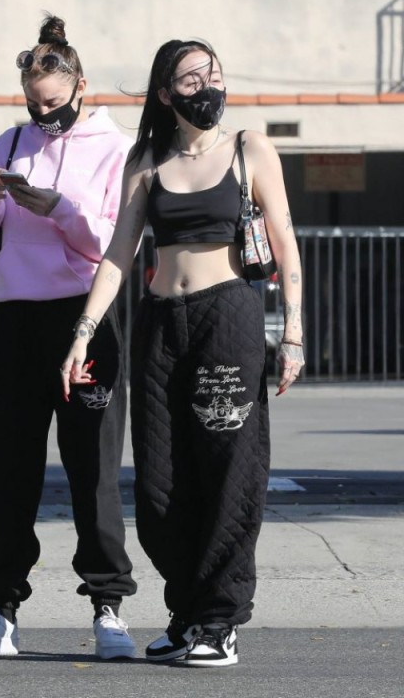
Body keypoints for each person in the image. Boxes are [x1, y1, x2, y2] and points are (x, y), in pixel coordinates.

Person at [62, 38, 305, 667]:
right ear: (166, 93)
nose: (208, 86)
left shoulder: (250, 149)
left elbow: (284, 240)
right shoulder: (147, 158)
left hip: (227, 317)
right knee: (160, 478)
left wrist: (294, 332)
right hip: (161, 323)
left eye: (214, 74)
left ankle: (219, 620)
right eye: (192, 79)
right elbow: (119, 253)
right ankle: (188, 611)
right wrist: (84, 330)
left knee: (228, 468)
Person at [0, 14, 137, 660]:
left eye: (53, 103)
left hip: (83, 318)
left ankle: (109, 607)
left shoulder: (115, 149)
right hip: (13, 319)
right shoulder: (9, 143)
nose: (43, 114)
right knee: (9, 469)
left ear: (81, 85)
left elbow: (112, 246)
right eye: (34, 104)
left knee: (93, 467)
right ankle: (0, 609)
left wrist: (58, 208)